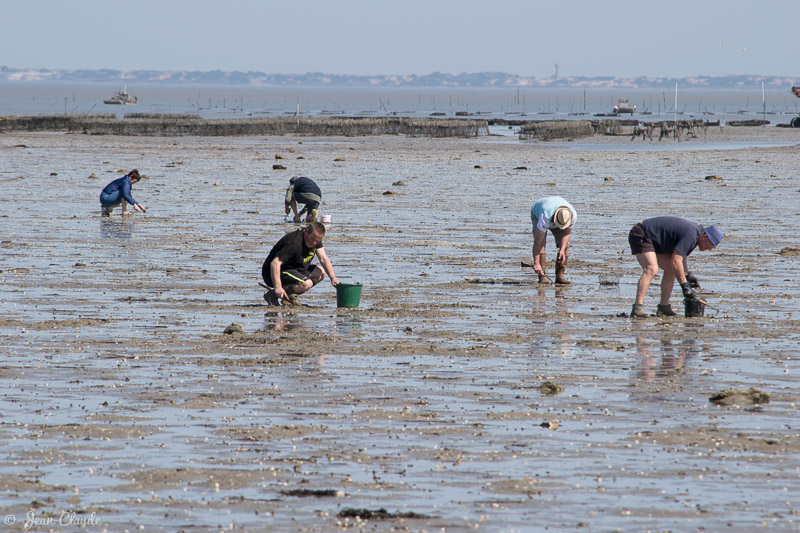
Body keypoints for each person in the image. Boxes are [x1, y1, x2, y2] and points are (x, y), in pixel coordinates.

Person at [628, 216, 722, 318]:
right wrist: (684, 286)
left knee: (671, 270)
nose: (710, 249)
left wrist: (688, 275)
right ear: (705, 236)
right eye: (711, 244)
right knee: (651, 269)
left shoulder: (695, 236)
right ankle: (637, 308)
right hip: (642, 234)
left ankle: (664, 308)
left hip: (655, 240)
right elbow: (676, 260)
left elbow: (682, 258)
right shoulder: (692, 235)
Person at [261, 222, 339, 306]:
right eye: (312, 239)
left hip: (295, 269)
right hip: (275, 273)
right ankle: (272, 295)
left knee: (321, 272)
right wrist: (278, 287)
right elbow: (275, 263)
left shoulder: (315, 240)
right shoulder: (294, 243)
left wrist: (333, 278)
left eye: (317, 241)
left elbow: (323, 258)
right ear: (306, 231)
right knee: (306, 284)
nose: (314, 243)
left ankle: (290, 296)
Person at [530, 196, 577, 285]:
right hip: (537, 212)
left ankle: (560, 276)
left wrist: (562, 250)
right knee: (542, 245)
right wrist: (536, 263)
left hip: (559, 216)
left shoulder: (572, 216)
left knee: (565, 246)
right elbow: (537, 242)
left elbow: (567, 234)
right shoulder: (545, 216)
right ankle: (542, 276)